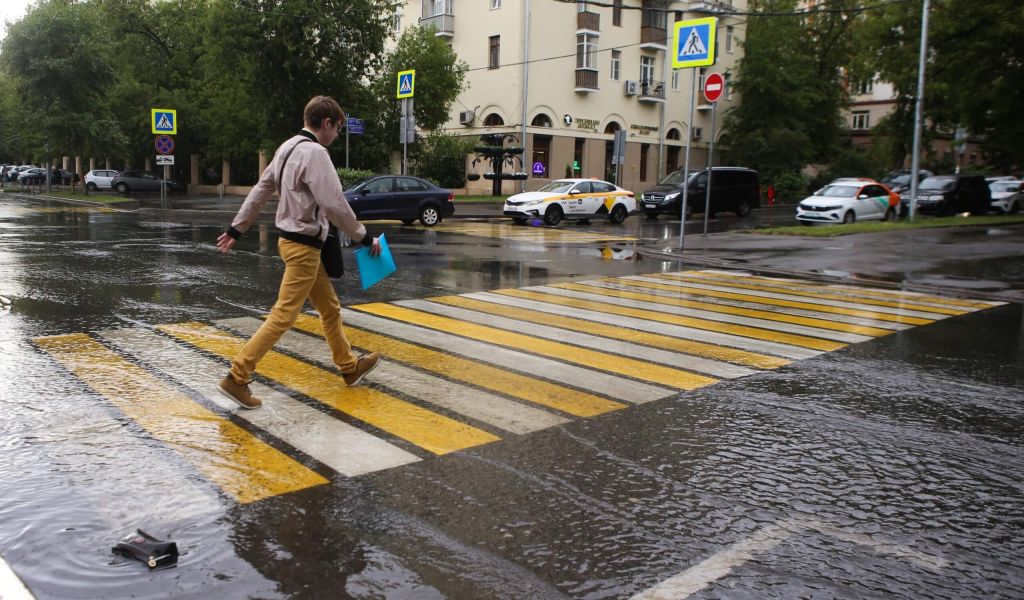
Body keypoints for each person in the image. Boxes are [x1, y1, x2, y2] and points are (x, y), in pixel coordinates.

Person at [215, 95, 381, 409]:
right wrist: (362, 236)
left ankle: (349, 368)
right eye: (337, 129)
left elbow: (261, 189)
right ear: (327, 123)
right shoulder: (316, 153)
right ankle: (237, 377)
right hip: (304, 247)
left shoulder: (286, 148)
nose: (336, 137)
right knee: (283, 315)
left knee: (329, 308)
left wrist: (238, 228)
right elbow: (334, 204)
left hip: (293, 242)